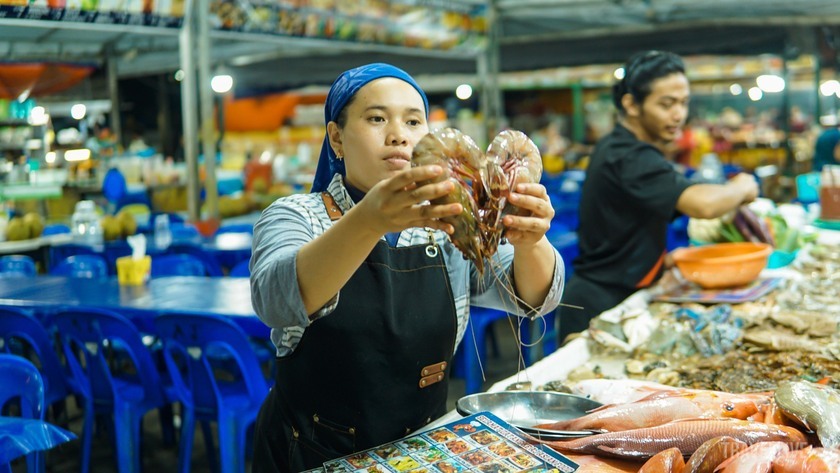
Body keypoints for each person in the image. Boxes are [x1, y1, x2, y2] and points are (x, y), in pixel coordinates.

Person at [250, 63, 564, 472]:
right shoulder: (296, 215)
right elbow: (275, 301)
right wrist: (369, 220)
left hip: (420, 451)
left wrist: (531, 241)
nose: (398, 134)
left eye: (413, 121)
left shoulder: (448, 223)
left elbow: (531, 297)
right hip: (312, 453)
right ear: (337, 138)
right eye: (376, 118)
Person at [557, 51, 759, 344]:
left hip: (622, 290)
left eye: (683, 103)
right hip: (600, 304)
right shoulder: (628, 155)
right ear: (631, 104)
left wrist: (661, 260)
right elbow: (703, 205)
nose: (678, 114)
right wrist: (743, 188)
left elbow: (626, 224)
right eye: (666, 104)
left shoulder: (625, 148)